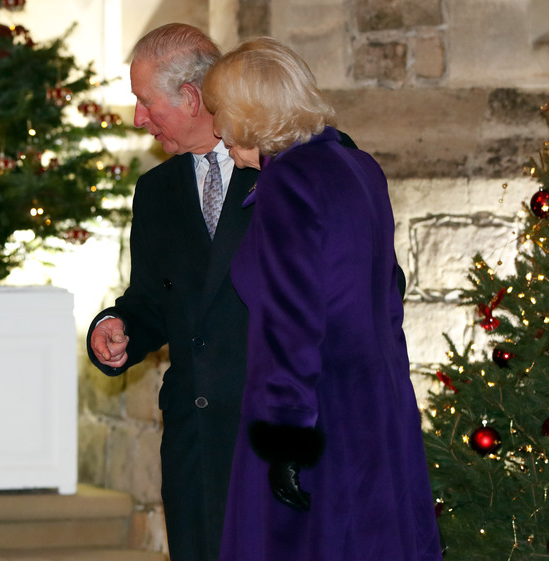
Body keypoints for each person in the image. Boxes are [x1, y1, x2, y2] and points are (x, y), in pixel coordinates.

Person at [201, 37, 442, 560]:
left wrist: (285, 437)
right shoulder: (359, 166)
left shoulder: (290, 181)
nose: (217, 132)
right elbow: (389, 299)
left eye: (220, 113)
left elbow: (292, 323)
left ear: (249, 114)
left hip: (318, 414)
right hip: (376, 403)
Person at [86, 23, 256, 561]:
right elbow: (151, 301)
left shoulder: (280, 170)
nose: (138, 118)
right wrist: (118, 328)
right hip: (195, 438)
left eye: (144, 102)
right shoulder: (156, 190)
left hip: (269, 429)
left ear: (190, 97)